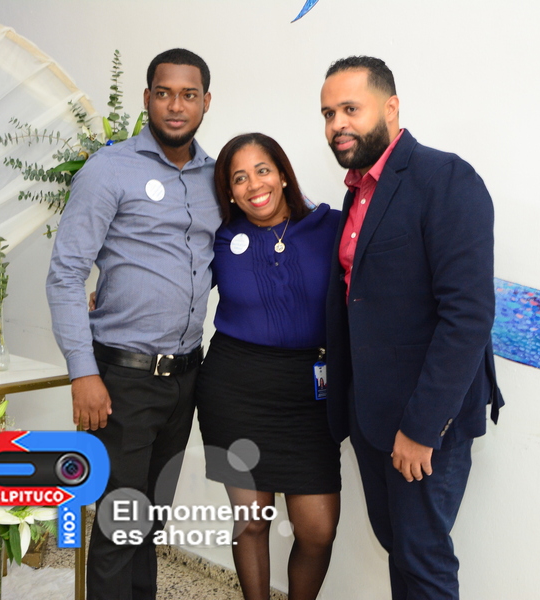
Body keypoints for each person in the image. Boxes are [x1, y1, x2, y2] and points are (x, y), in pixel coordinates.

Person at [320, 56, 504, 600]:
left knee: (422, 561)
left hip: (423, 423)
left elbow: (468, 315)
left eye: (350, 109)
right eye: (328, 114)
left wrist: (422, 429)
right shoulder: (358, 191)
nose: (337, 124)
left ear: (391, 108)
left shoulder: (445, 178)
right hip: (371, 416)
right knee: (399, 548)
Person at [46, 48, 219, 599]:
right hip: (121, 379)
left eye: (188, 95)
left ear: (206, 102)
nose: (176, 106)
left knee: (150, 521)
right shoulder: (108, 169)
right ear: (147, 98)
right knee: (119, 525)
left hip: (186, 377)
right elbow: (65, 275)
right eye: (164, 93)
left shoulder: (218, 178)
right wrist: (83, 373)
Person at [195, 133, 341, 600]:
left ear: (283, 174)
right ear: (229, 191)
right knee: (252, 522)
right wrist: (108, 292)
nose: (254, 185)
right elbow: (175, 279)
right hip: (235, 390)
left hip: (309, 397)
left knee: (317, 530)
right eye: (239, 178)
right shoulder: (221, 237)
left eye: (262, 170)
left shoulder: (331, 226)